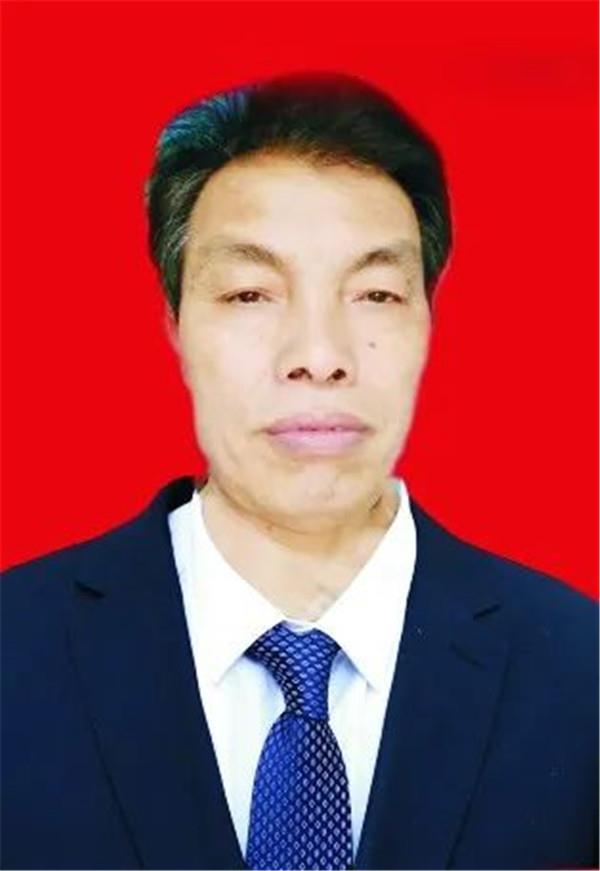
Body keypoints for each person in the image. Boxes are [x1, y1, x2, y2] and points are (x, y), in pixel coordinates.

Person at [1, 72, 597, 871]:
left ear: (429, 321)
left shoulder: (578, 669)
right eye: (251, 293)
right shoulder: (16, 650)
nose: (319, 356)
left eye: (375, 293)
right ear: (175, 323)